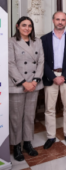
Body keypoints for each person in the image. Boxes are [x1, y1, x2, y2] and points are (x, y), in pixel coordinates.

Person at [41, 11, 66, 149]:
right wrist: (53, 77)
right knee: (49, 109)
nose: (60, 22)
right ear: (53, 20)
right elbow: (41, 61)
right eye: (58, 19)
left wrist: (63, 76)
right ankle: (51, 136)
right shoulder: (44, 39)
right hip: (50, 77)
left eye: (63, 19)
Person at [8, 16, 44, 161]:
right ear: (17, 26)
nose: (27, 28)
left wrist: (35, 81)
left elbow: (41, 60)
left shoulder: (38, 41)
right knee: (16, 117)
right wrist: (24, 82)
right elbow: (10, 63)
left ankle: (27, 144)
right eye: (24, 25)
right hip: (18, 85)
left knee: (29, 116)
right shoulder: (10, 41)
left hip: (33, 85)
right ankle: (16, 146)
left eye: (29, 26)